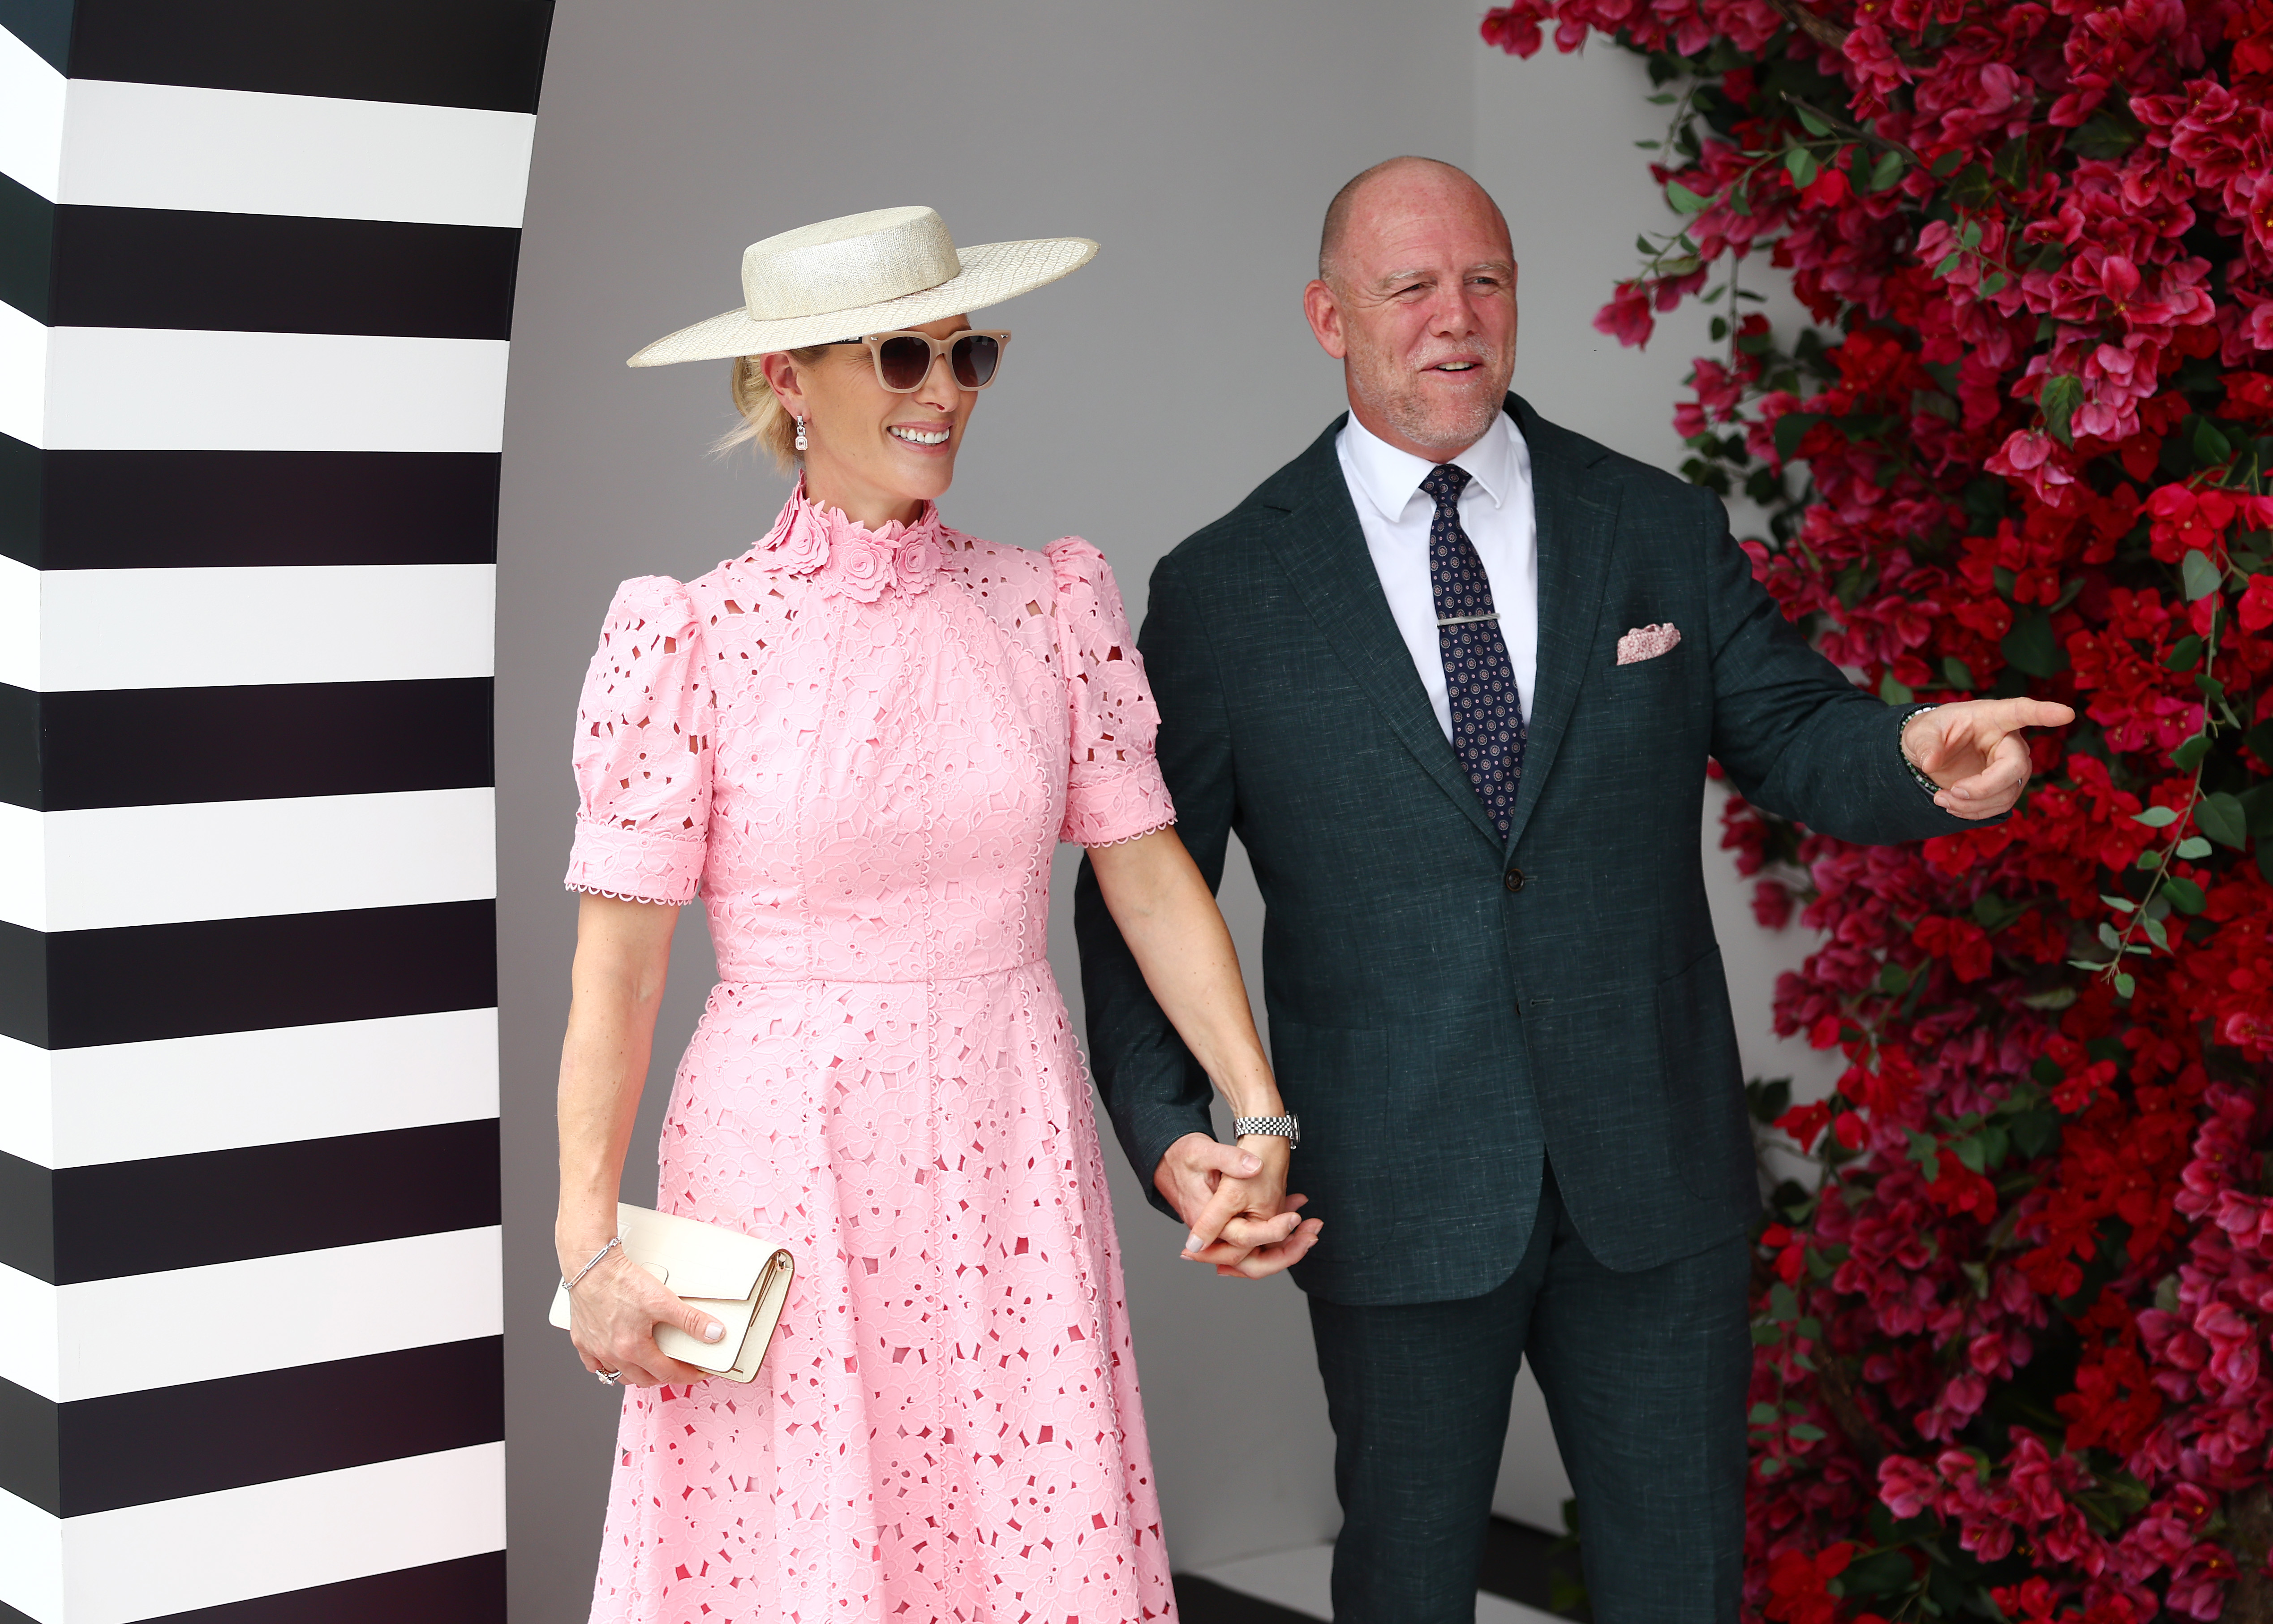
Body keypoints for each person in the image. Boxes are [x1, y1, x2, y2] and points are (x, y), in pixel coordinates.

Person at [1075, 158, 2073, 1624]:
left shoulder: (1652, 526)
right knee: (1407, 1585)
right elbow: (1138, 889)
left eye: (1486, 280)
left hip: (1655, 1174)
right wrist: (1172, 1135)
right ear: (1328, 315)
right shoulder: (1225, 590)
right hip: (1394, 1188)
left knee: (1681, 1587)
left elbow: (1795, 730)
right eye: (1411, 287)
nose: (1456, 318)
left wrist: (1916, 756)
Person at [552, 205, 1318, 1624]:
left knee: (1017, 1550)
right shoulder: (693, 636)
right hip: (783, 1163)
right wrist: (586, 1249)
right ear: (789, 377)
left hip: (1005, 1145)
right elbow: (620, 975)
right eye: (902, 355)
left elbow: (1149, 875)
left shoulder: (1046, 604)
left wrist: (1255, 1111)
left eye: (971, 355)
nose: (945, 391)